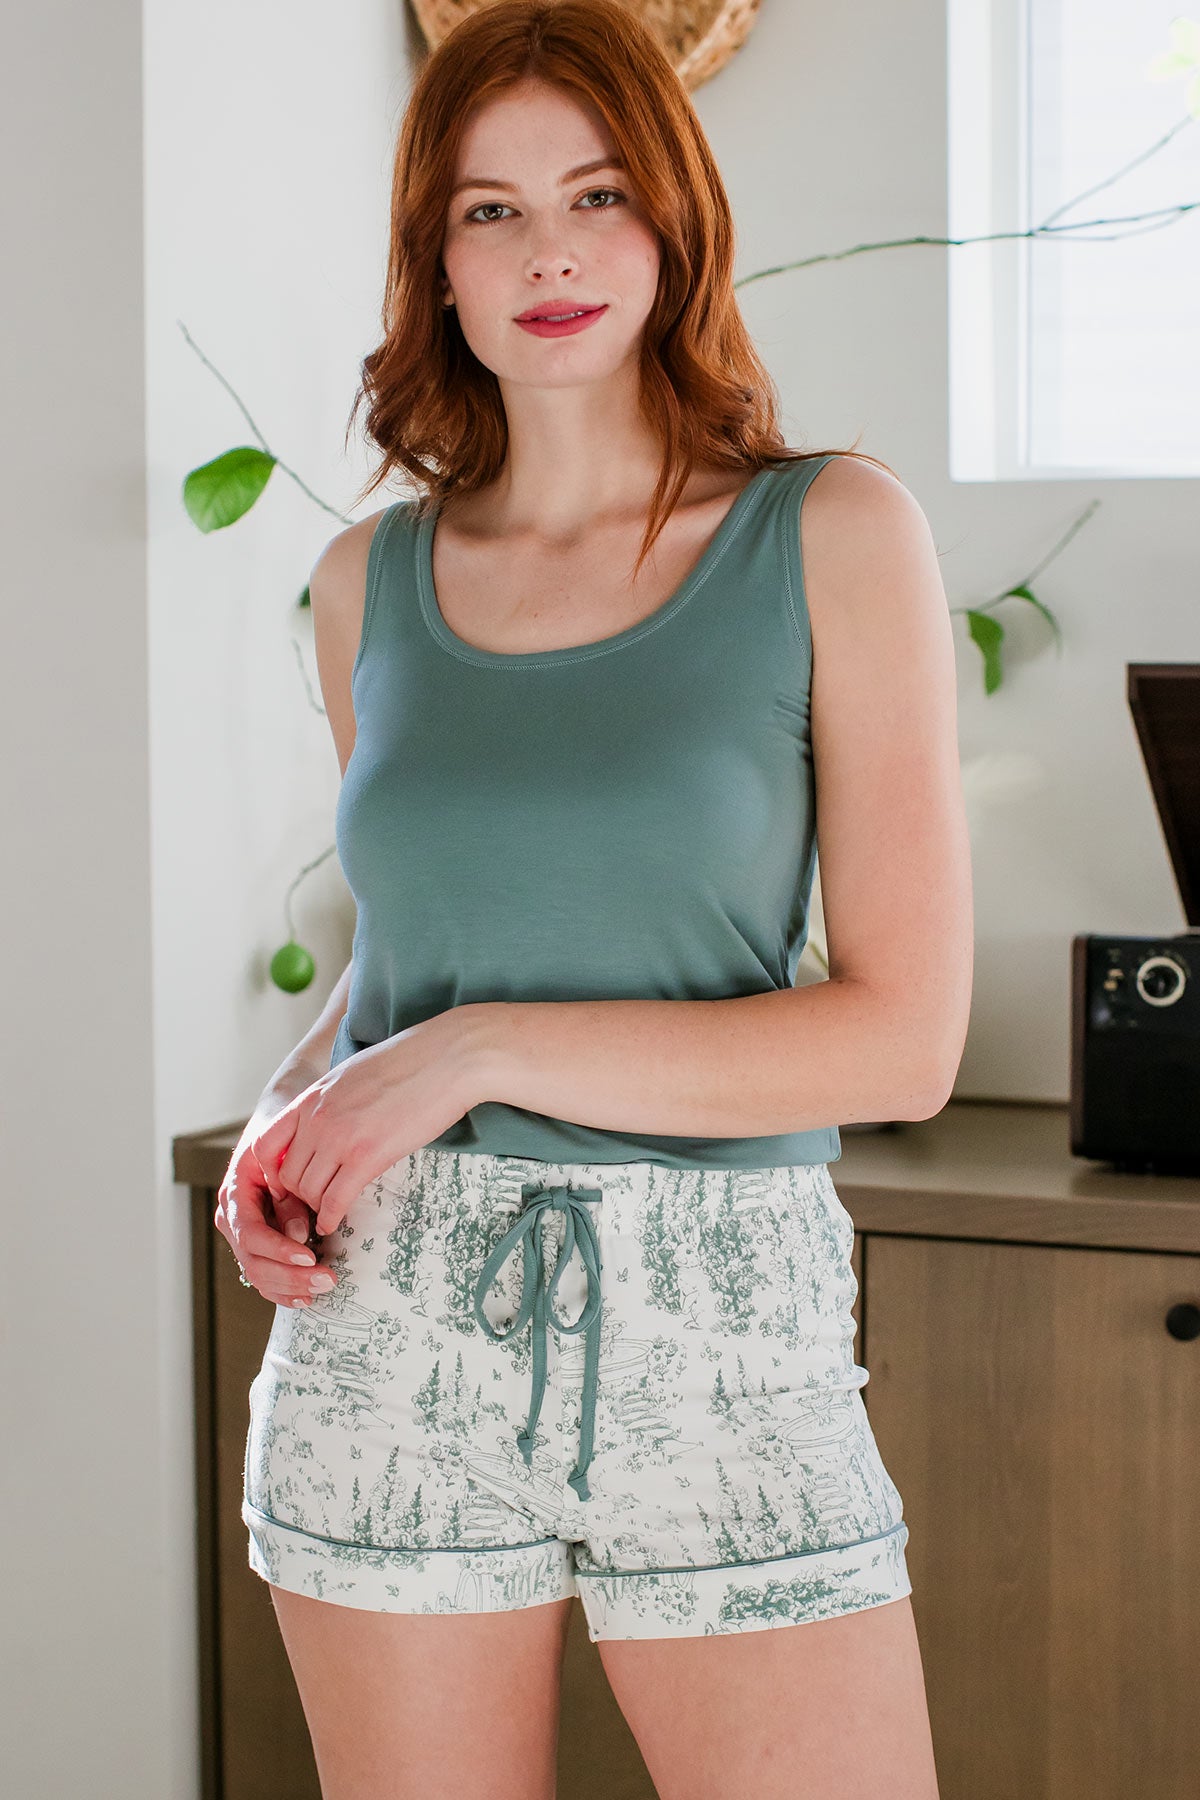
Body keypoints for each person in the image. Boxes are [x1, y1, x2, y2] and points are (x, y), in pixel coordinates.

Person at [213, 3, 972, 1794]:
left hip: (730, 1341)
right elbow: (399, 969)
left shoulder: (833, 535)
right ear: (438, 268)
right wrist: (286, 1123)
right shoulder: (361, 585)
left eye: (597, 191)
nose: (547, 248)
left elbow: (904, 1040)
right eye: (488, 209)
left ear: (676, 222)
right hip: (385, 1341)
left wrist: (475, 1050)